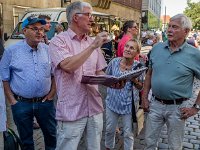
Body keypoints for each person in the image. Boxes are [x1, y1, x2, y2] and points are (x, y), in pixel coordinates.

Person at [48, 1, 109, 150]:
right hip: (71, 110)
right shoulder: (58, 41)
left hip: (94, 108)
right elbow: (68, 66)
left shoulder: (91, 41)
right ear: (76, 17)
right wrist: (93, 46)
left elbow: (99, 71)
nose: (92, 19)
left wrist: (112, 82)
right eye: (89, 15)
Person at [141, 14, 200, 150]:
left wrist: (196, 107)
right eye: (169, 26)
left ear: (186, 31)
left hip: (178, 108)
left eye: (175, 27)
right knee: (149, 142)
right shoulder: (156, 48)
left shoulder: (195, 55)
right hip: (155, 104)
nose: (169, 30)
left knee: (175, 145)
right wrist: (144, 97)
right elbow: (149, 74)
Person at [0, 16, 57, 150]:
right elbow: (4, 77)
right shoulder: (11, 51)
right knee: (26, 141)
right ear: (24, 31)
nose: (39, 32)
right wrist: (12, 101)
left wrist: (52, 93)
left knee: (51, 135)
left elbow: (55, 74)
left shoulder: (48, 50)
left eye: (42, 29)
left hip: (45, 104)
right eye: (35, 29)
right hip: (21, 104)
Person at [105, 39, 144, 150]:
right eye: (127, 46)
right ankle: (109, 147)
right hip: (112, 103)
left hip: (129, 106)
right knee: (109, 130)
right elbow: (106, 78)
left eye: (132, 48)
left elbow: (141, 87)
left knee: (128, 133)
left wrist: (135, 80)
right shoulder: (114, 62)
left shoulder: (139, 67)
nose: (127, 49)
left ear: (137, 52)